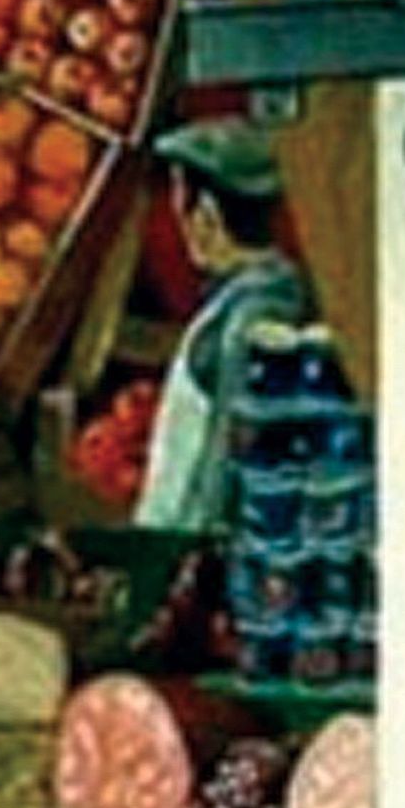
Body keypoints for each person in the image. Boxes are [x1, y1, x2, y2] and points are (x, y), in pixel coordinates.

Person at [136, 115, 316, 537]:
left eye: (181, 207)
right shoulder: (279, 292)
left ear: (207, 215)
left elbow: (220, 470)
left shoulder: (244, 318)